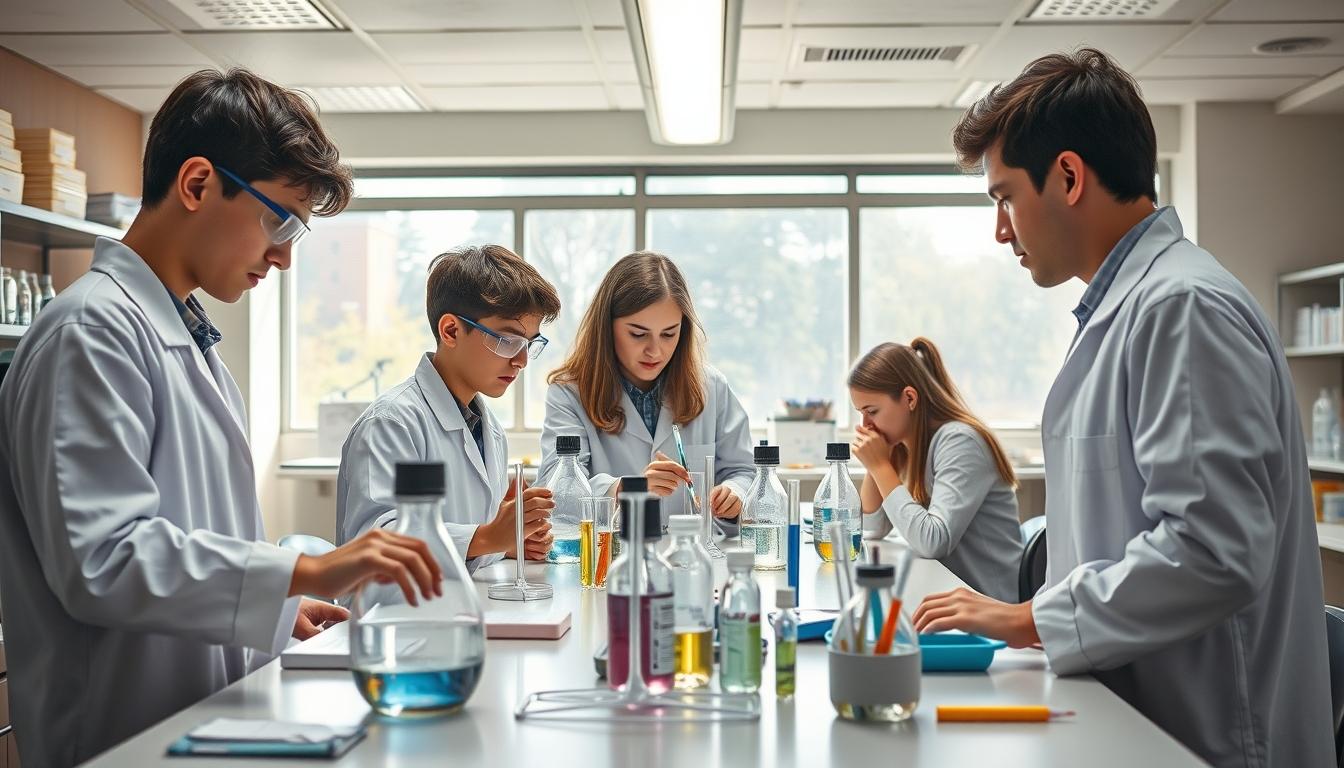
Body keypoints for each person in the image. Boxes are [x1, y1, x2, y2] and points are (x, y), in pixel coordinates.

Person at [0, 69, 443, 768]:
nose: (286, 257)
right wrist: (301, 570)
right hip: (114, 737)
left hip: (196, 722)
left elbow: (190, 541)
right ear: (199, 183)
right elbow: (103, 561)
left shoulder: (188, 340)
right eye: (280, 219)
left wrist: (273, 613)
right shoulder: (89, 333)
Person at [910, 48, 1333, 766]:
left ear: (1069, 177)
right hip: (1135, 712)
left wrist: (1028, 618)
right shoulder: (1129, 307)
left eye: (1005, 196)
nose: (1001, 230)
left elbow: (1212, 549)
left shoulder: (1184, 308)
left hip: (1207, 735)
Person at [338, 245, 560, 569]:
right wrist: (488, 538)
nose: (522, 360)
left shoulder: (489, 430)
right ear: (451, 331)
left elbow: (466, 547)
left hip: (461, 608)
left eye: (530, 344)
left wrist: (507, 544)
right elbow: (376, 543)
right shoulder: (391, 424)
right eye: (508, 340)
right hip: (392, 615)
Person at [540, 251, 753, 529]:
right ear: (607, 326)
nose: (655, 350)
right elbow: (555, 491)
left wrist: (735, 494)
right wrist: (626, 488)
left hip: (691, 557)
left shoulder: (711, 387)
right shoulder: (568, 393)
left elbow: (745, 471)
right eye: (638, 334)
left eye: (669, 334)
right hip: (611, 560)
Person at [848, 337, 1023, 602]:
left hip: (990, 604)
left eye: (872, 411)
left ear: (909, 398)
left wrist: (880, 465)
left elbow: (933, 542)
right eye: (860, 413)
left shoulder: (959, 441)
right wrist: (878, 465)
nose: (866, 425)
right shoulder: (907, 444)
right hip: (950, 596)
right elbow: (870, 530)